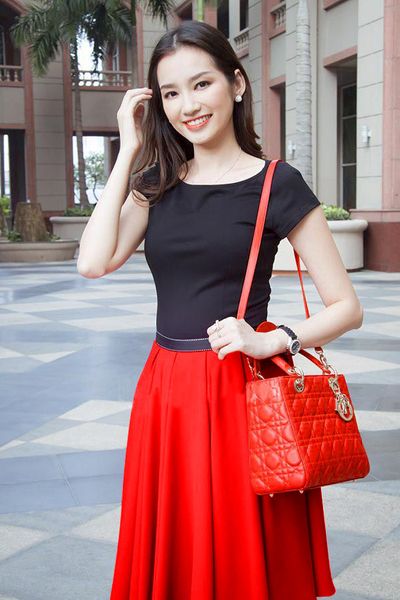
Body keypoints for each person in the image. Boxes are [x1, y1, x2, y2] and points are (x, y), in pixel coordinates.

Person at [77, 20, 363, 600]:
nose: (188, 105)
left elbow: (346, 307)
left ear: (236, 84)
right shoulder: (156, 183)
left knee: (239, 550)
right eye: (171, 93)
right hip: (166, 391)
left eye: (201, 84)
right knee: (177, 543)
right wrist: (128, 151)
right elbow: (92, 262)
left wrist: (273, 339)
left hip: (239, 389)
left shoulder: (278, 184)